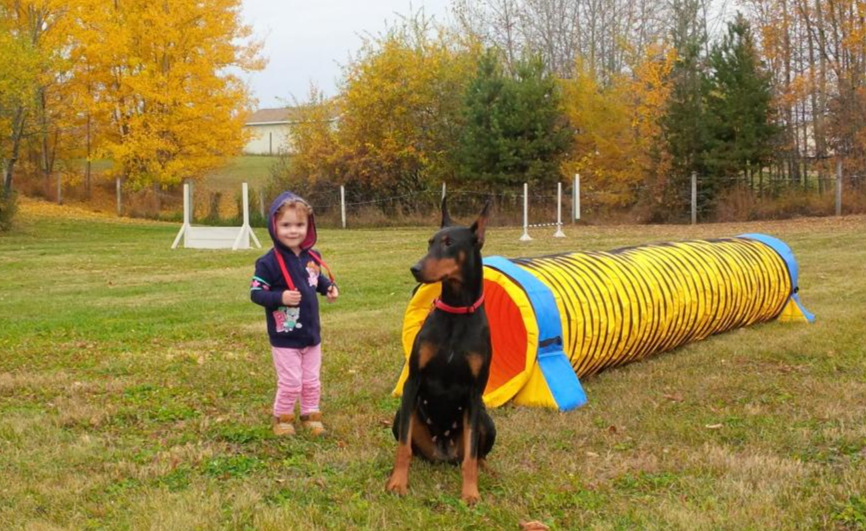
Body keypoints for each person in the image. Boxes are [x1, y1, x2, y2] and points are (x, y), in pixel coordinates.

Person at [250, 192, 338, 437]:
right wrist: (280, 298)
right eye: (286, 225)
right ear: (273, 226)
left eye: (299, 225)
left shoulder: (312, 256)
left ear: (308, 226)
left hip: (311, 334)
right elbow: (256, 293)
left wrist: (328, 287)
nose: (293, 231)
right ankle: (283, 417)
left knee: (311, 380)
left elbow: (315, 278)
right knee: (291, 381)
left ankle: (310, 414)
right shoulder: (268, 262)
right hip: (285, 336)